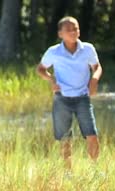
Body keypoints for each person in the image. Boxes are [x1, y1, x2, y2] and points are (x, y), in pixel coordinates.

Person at [36, 16, 102, 170]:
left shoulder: (88, 49)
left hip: (82, 98)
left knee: (92, 135)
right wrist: (51, 80)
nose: (73, 32)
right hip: (62, 99)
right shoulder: (54, 52)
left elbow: (97, 67)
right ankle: (68, 173)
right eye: (69, 30)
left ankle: (95, 171)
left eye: (76, 28)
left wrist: (94, 80)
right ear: (60, 34)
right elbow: (40, 69)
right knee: (65, 139)